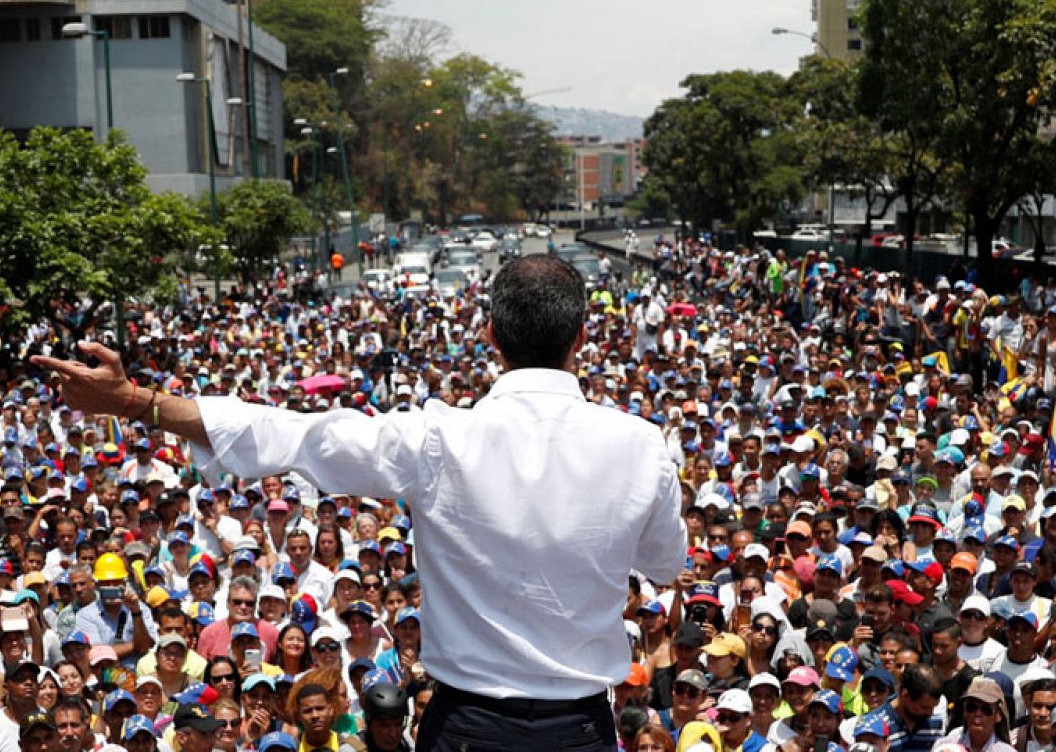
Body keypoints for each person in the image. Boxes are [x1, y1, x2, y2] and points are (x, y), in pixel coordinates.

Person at [34, 255, 686, 751]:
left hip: (467, 726)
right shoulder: (640, 446)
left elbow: (290, 433)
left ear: (490, 335)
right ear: (580, 335)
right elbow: (664, 564)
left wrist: (136, 402)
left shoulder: (438, 439)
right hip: (581, 728)